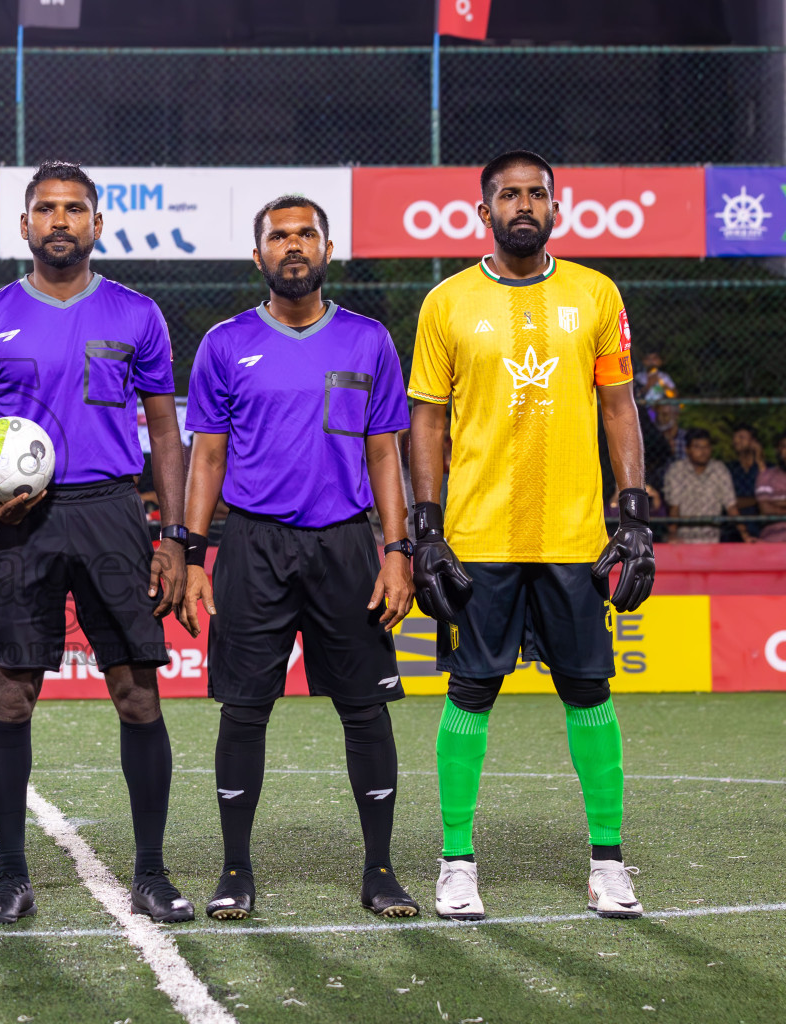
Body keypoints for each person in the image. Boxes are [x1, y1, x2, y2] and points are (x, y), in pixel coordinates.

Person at [408, 151, 656, 922]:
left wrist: (635, 514)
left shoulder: (595, 293)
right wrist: (425, 528)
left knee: (589, 690)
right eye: (508, 194)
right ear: (482, 211)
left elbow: (619, 407)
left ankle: (609, 863)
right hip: (479, 535)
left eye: (536, 194)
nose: (524, 204)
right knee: (471, 692)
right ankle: (456, 861)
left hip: (576, 537)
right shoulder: (446, 302)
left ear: (557, 207)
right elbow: (427, 419)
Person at [0, 162, 192, 926]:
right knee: (11, 697)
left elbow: (164, 430)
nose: (60, 221)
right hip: (20, 522)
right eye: (46, 209)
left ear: (96, 225)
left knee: (136, 692)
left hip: (114, 510)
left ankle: (150, 873)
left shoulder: (138, 312)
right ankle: (11, 875)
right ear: (24, 226)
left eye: (74, 210)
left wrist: (177, 537)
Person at [178, 195, 419, 921]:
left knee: (365, 709)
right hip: (253, 544)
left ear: (326, 248)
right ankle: (235, 869)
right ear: (258, 256)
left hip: (347, 544)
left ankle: (379, 870)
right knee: (243, 711)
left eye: (304, 234)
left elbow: (386, 453)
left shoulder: (368, 339)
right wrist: (194, 556)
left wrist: (397, 549)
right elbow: (207, 458)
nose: (292, 246)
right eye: (278, 236)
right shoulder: (224, 344)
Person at [663, 429, 748, 544]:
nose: (703, 451)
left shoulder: (719, 469)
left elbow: (731, 506)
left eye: (706, 447)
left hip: (712, 537)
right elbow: (674, 507)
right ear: (687, 450)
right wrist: (672, 535)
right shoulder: (677, 470)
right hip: (684, 537)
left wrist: (745, 535)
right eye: (697, 447)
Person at [725, 425, 764, 540]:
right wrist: (759, 501)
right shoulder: (729, 469)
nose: (737, 441)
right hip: (734, 527)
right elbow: (729, 503)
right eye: (735, 438)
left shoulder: (766, 467)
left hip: (761, 524)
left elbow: (769, 490)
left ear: (754, 442)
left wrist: (760, 460)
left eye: (741, 437)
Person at [754, 432, 786, 543]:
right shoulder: (766, 476)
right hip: (773, 537)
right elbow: (765, 509)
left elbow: (771, 505)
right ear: (778, 450)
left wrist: (777, 502)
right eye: (784, 446)